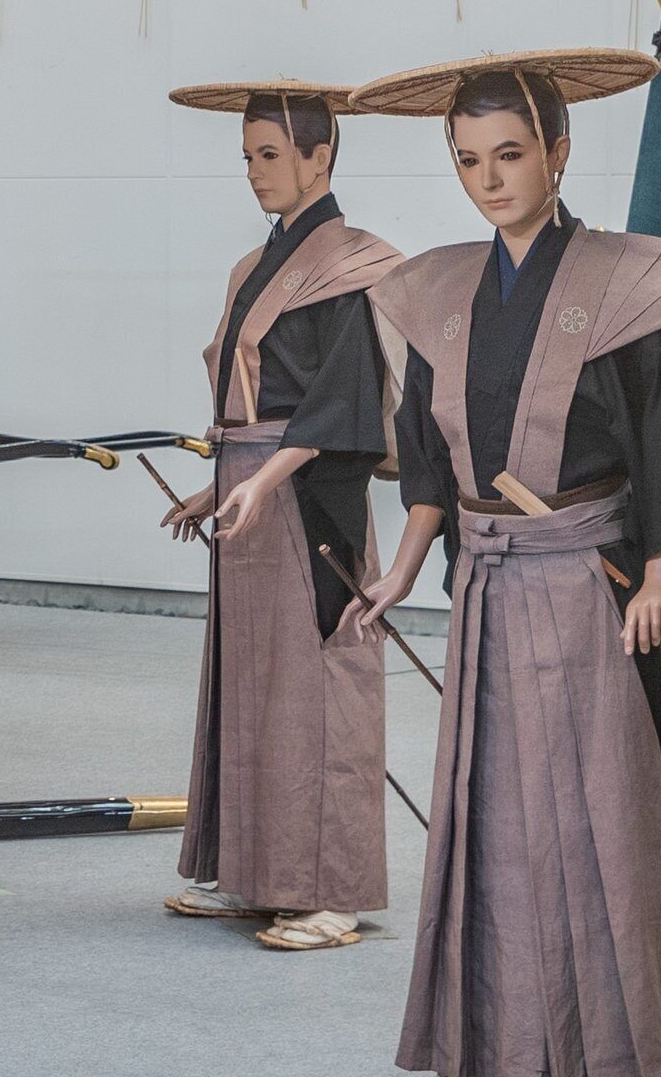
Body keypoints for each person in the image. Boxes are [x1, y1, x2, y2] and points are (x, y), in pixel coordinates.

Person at [343, 52, 661, 1077]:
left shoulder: (630, 287)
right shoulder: (440, 292)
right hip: (488, 585)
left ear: (559, 155)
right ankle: (500, 1042)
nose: (490, 180)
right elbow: (431, 454)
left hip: (593, 584)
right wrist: (404, 563)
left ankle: (612, 1050)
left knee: (598, 817)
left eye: (510, 155)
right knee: (493, 816)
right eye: (468, 161)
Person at [159, 80, 401, 952]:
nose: (257, 174)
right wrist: (219, 478)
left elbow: (346, 404)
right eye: (248, 158)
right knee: (253, 685)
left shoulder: (356, 263)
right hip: (247, 488)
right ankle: (255, 878)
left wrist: (265, 479)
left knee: (321, 687)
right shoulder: (255, 263)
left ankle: (333, 890)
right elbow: (243, 400)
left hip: (309, 497)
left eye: (271, 156)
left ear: (319, 157)